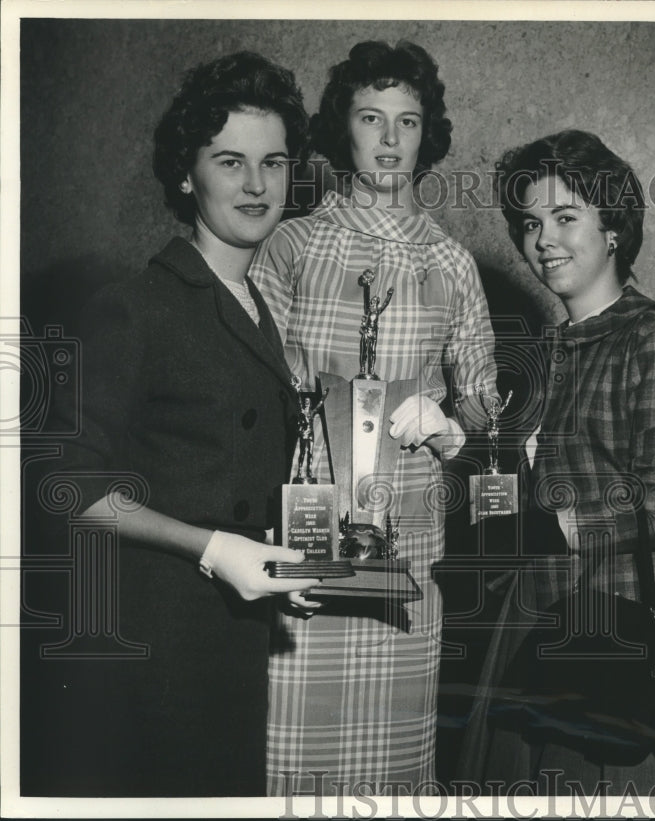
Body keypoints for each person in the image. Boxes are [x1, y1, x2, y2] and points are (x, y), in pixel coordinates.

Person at [29, 52, 317, 796]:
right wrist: (214, 547)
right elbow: (62, 482)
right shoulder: (139, 304)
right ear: (187, 175)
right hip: (153, 649)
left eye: (273, 162)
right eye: (230, 162)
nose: (257, 186)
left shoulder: (254, 305)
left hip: (229, 642)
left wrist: (278, 562)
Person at [249, 40, 498, 794]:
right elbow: (247, 387)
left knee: (389, 777)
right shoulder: (288, 244)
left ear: (428, 135)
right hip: (305, 538)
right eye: (370, 117)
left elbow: (485, 400)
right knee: (292, 764)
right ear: (343, 128)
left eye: (408, 121)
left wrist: (450, 421)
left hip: (407, 549)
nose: (390, 140)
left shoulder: (452, 263)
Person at [456, 129, 655, 792]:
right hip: (522, 619)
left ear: (614, 228)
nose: (544, 240)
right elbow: (501, 503)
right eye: (531, 223)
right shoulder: (535, 358)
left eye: (566, 218)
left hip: (604, 627)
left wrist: (545, 523)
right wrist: (457, 453)